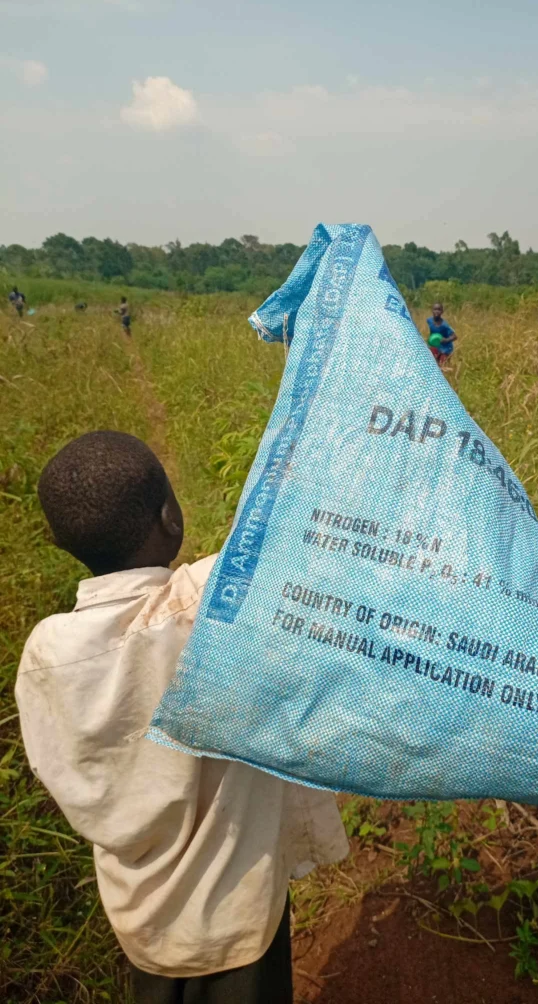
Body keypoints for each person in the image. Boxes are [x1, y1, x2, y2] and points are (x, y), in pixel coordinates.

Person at [15, 430, 348, 1004]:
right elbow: (317, 528)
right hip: (236, 914)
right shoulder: (212, 611)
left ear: (58, 540)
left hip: (141, 919)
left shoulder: (45, 657)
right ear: (171, 515)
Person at [426, 302, 456, 369]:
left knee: (443, 366)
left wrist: (446, 340)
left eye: (439, 309)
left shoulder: (444, 325)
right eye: (435, 309)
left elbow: (454, 336)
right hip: (434, 344)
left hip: (445, 348)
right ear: (432, 310)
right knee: (432, 363)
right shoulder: (429, 320)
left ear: (442, 311)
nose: (437, 311)